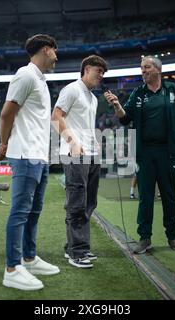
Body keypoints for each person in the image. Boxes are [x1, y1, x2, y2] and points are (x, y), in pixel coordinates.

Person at [104, 55, 175, 254]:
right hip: (144, 153)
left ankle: (173, 236)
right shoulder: (138, 93)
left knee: (168, 197)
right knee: (145, 197)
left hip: (168, 152)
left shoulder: (173, 90)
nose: (143, 71)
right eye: (141, 68)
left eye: (146, 67)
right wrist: (117, 105)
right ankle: (144, 238)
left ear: (157, 69)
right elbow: (125, 118)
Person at [0, 34, 60, 291]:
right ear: (46, 49)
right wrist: (3, 143)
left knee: (33, 211)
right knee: (20, 212)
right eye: (55, 51)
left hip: (39, 156)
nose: (57, 56)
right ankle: (12, 269)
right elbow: (6, 112)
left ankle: (29, 258)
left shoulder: (41, 80)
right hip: (24, 155)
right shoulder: (26, 74)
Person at [51, 55, 108, 269]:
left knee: (89, 203)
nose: (101, 75)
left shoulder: (93, 98)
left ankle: (75, 246)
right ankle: (77, 251)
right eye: (98, 70)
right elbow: (56, 116)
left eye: (103, 72)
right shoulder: (72, 89)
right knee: (76, 203)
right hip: (74, 153)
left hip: (91, 154)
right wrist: (72, 142)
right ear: (86, 69)